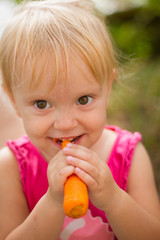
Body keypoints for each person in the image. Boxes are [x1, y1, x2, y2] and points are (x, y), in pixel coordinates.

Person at [0, 0, 159, 239]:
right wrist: (53, 202)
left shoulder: (128, 155)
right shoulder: (12, 166)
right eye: (42, 104)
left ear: (108, 89)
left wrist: (114, 199)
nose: (65, 124)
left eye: (83, 100)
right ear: (14, 102)